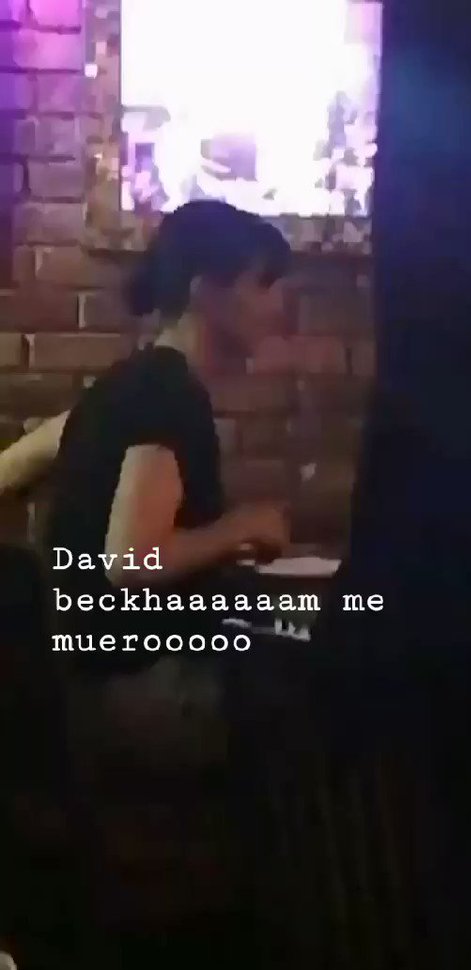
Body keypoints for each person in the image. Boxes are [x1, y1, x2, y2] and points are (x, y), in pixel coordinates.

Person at [40, 200, 292, 759]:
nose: (278, 304)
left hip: (102, 685)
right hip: (139, 689)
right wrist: (241, 526)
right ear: (206, 293)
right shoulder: (166, 390)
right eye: (264, 284)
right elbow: (131, 563)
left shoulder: (134, 382)